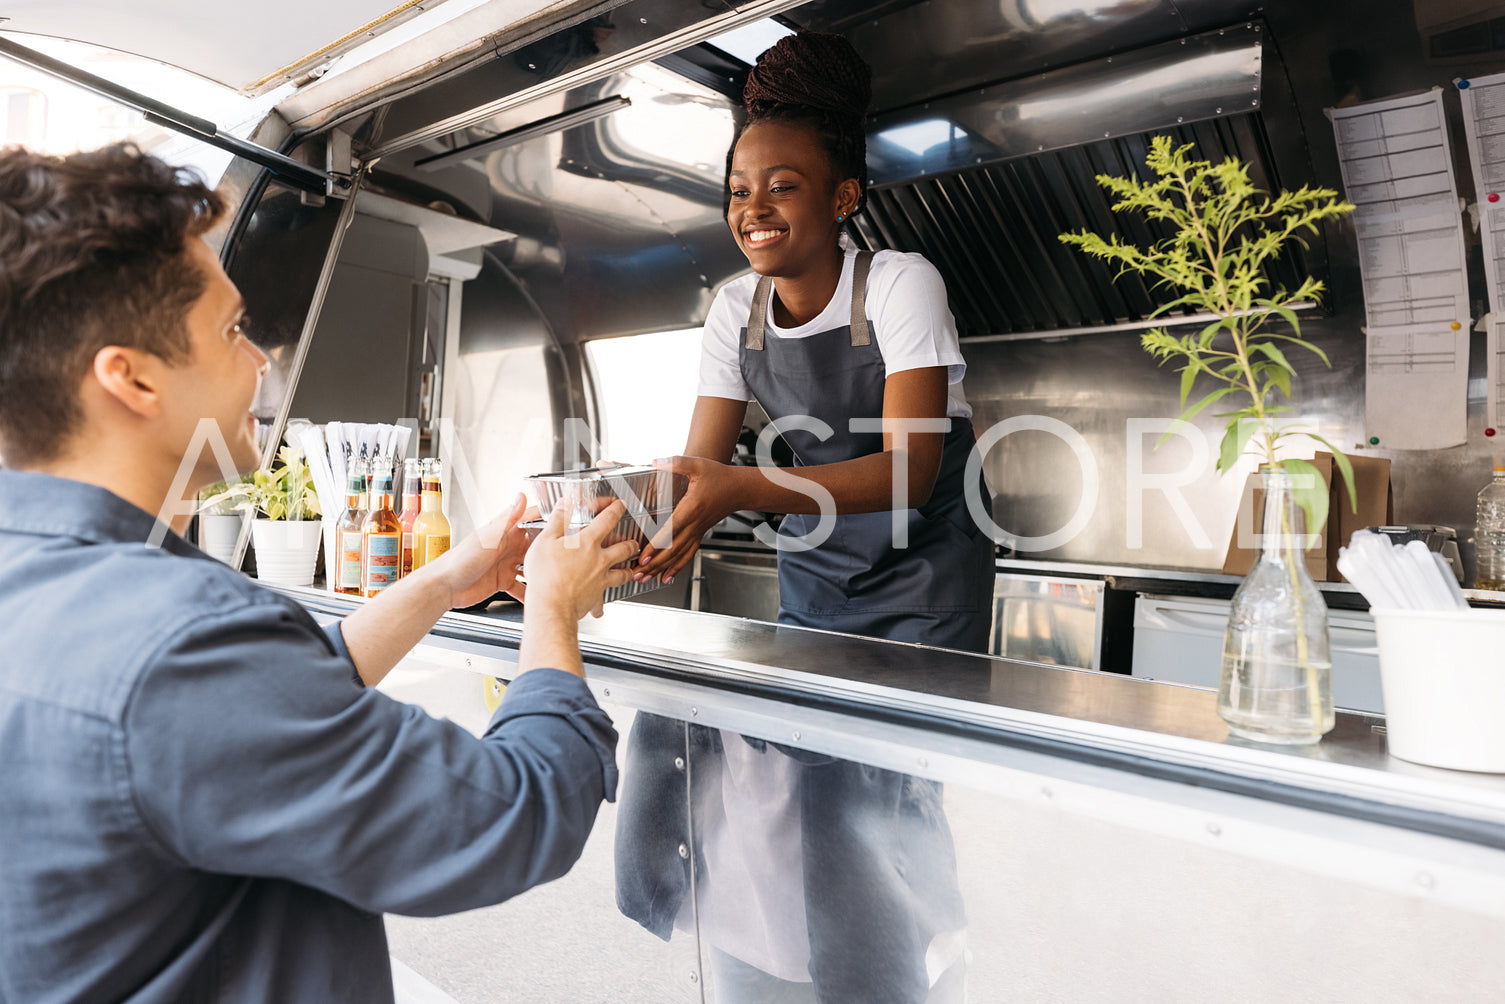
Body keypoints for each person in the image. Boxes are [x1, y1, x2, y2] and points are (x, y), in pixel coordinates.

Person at [0, 143, 638, 1003]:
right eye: (230, 331)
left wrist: (445, 581)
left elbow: (257, 719)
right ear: (133, 378)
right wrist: (554, 612)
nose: (260, 360)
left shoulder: (64, 591)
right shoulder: (178, 642)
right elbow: (505, 817)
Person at [617, 32, 984, 1003]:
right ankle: (817, 974)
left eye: (781, 185)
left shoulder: (900, 285)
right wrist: (633, 522)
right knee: (803, 800)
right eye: (738, 188)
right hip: (815, 587)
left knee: (883, 809)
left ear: (842, 198)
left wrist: (736, 491)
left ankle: (905, 973)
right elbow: (697, 469)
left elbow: (908, 472)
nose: (752, 208)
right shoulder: (732, 312)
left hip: (920, 596)